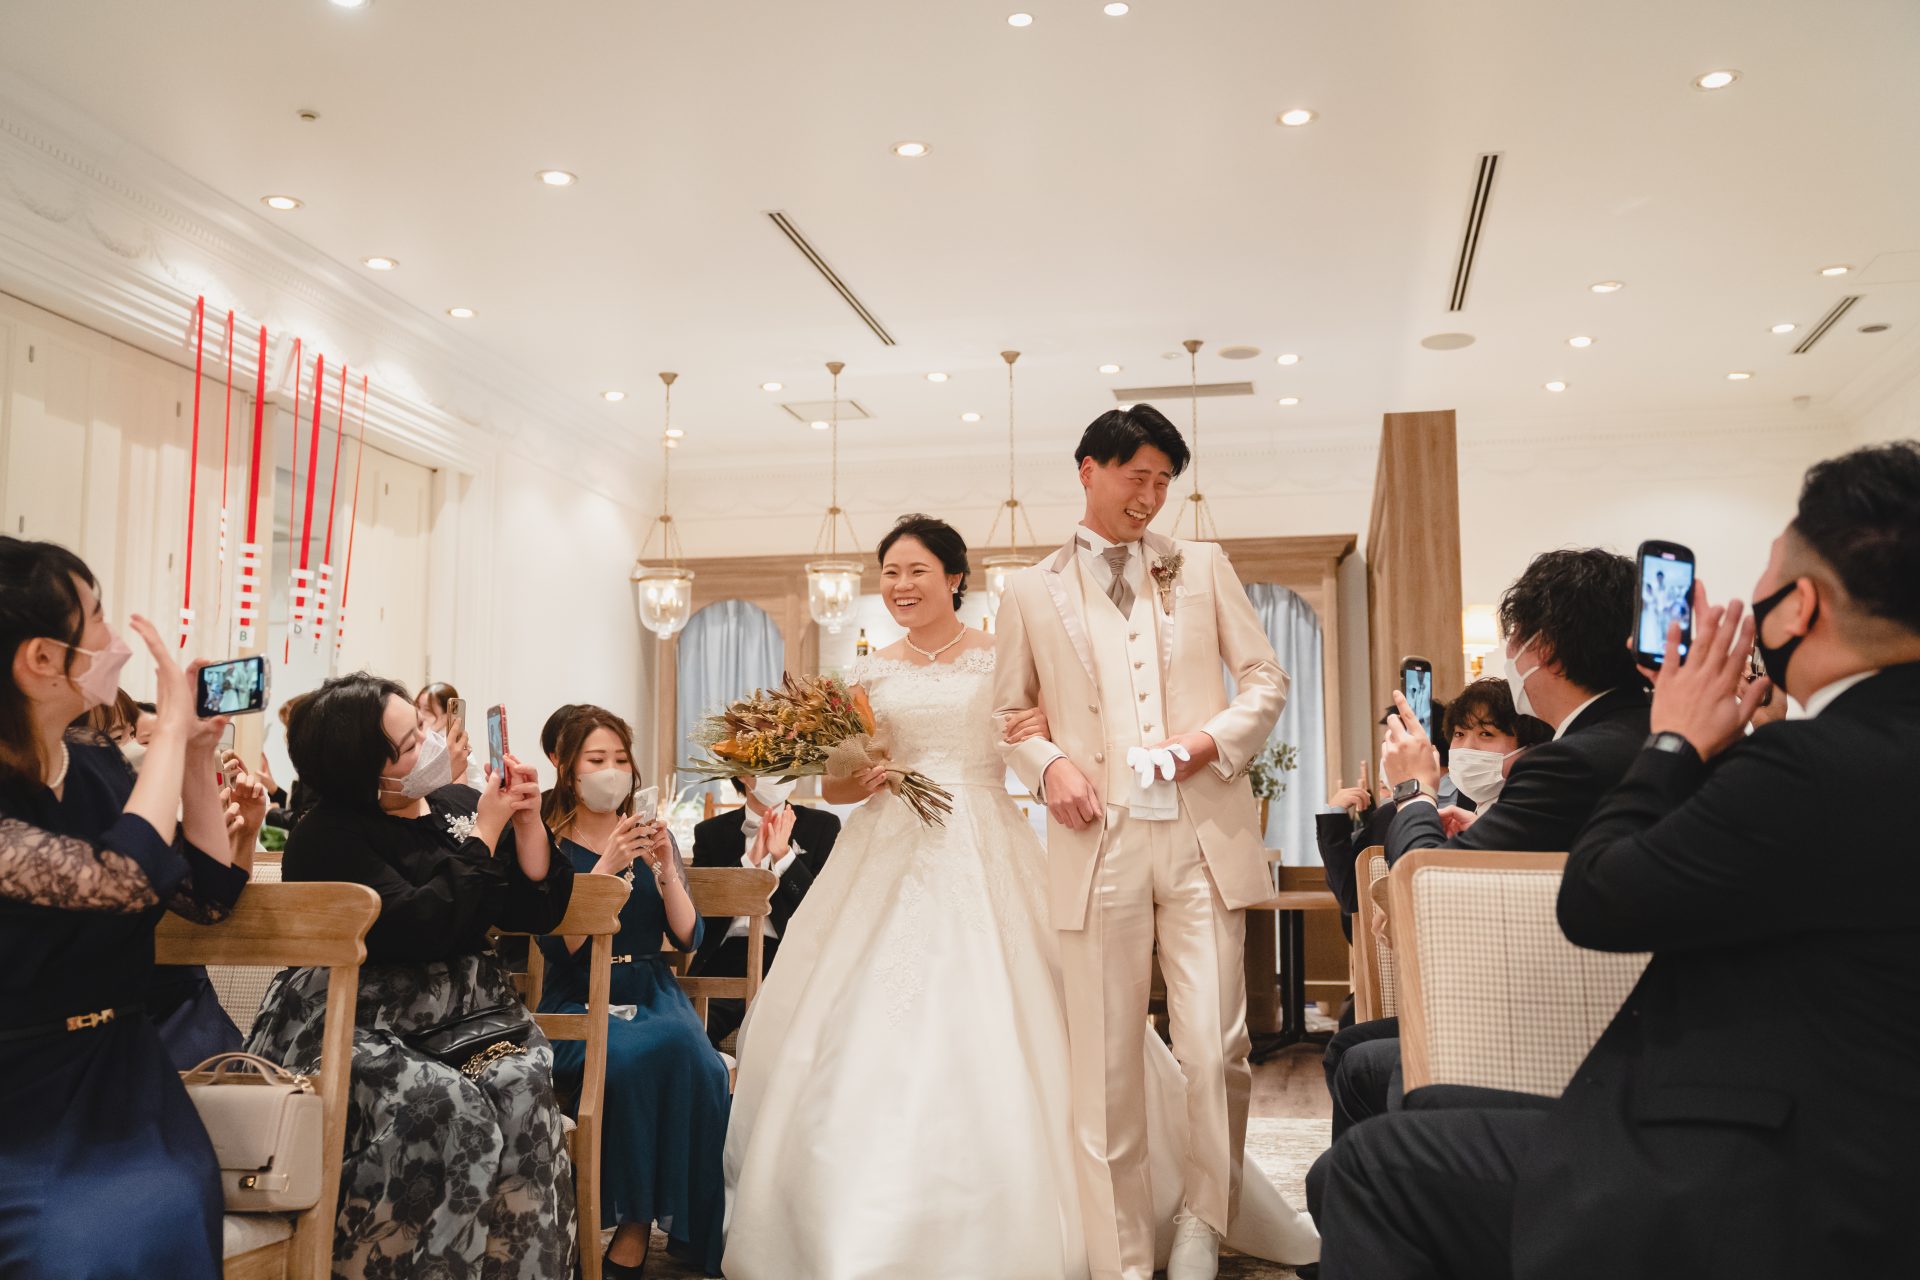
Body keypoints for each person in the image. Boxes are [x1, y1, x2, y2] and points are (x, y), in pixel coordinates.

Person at [1318, 441, 1920, 1278]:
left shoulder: (1814, 763)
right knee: (1400, 1104)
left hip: (1765, 1167)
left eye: (1768, 578)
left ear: (1800, 608)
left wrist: (1676, 741)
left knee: (1369, 1168)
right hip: (1859, 1131)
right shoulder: (1836, 752)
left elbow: (1598, 898)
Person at [724, 513, 1318, 1280]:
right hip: (885, 844)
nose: (901, 586)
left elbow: (1039, 739)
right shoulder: (866, 674)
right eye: (891, 573)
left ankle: (1147, 1206)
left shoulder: (1002, 656)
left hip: (986, 834)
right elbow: (835, 785)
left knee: (1047, 1006)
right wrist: (860, 777)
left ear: (954, 579)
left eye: (916, 571)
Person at [993, 407, 1296, 1280]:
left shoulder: (1201, 564)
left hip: (1201, 838)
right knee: (1106, 1064)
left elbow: (1265, 677)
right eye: (1139, 477)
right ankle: (1120, 1257)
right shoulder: (1029, 590)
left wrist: (1206, 742)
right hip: (1099, 844)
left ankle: (1204, 1219)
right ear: (1089, 469)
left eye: (1165, 482)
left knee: (1216, 1046)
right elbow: (1008, 714)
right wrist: (1050, 767)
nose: (1152, 497)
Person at [245, 672, 577, 1280]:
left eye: (421, 730)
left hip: (468, 1019)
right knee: (446, 1107)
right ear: (363, 774)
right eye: (408, 746)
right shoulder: (327, 836)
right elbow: (420, 926)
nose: (430, 746)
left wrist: (527, 822)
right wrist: (486, 833)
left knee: (522, 1088)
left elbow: (533, 910)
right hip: (360, 1019)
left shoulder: (454, 805)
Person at [0, 538, 248, 1279]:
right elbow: (121, 880)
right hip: (19, 1092)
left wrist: (194, 753)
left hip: (125, 1074)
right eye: (99, 616)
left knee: (161, 1213)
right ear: (41, 658)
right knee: (80, 1245)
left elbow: (207, 895)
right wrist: (166, 729)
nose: (114, 640)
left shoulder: (99, 765)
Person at [537, 706, 730, 1278]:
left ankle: (681, 1226)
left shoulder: (649, 833)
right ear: (567, 768)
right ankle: (631, 1221)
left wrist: (665, 865)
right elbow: (561, 947)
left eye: (621, 759)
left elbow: (689, 935)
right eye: (596, 759)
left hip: (652, 986)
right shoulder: (549, 842)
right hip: (579, 992)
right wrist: (607, 866)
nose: (611, 771)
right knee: (627, 1061)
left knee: (701, 1064)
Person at [688, 774, 841, 1048]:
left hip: (790, 956)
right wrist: (749, 862)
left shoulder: (822, 826)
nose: (780, 775)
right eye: (769, 766)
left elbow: (822, 908)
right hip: (726, 958)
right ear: (743, 774)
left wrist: (784, 856)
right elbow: (701, 911)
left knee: (789, 1038)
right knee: (689, 1033)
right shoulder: (710, 832)